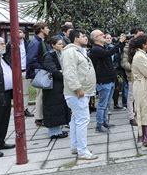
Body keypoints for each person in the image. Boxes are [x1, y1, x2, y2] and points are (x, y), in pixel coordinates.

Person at [62, 29, 98, 160]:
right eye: (83, 36)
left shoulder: (79, 51)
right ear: (76, 38)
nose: (86, 38)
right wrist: (77, 88)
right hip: (77, 93)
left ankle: (75, 146)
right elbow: (69, 72)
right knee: (83, 120)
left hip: (83, 92)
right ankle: (82, 151)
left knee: (75, 120)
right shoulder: (70, 52)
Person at [89, 30, 126, 133]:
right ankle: (99, 125)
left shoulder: (102, 47)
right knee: (102, 104)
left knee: (106, 104)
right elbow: (109, 53)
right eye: (101, 34)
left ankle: (105, 122)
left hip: (109, 79)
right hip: (103, 81)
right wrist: (120, 42)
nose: (104, 35)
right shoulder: (96, 49)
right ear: (96, 38)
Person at [42, 36, 70, 139]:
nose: (61, 45)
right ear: (53, 45)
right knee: (53, 108)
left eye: (62, 43)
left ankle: (57, 130)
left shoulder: (61, 54)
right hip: (52, 86)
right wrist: (63, 75)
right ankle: (54, 132)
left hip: (60, 85)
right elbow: (53, 70)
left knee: (59, 107)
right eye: (59, 44)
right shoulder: (49, 56)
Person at [26, 21, 51, 127]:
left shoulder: (41, 41)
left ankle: (41, 117)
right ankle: (39, 118)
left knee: (42, 95)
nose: (48, 30)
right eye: (47, 28)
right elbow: (31, 59)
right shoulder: (35, 42)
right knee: (40, 95)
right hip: (40, 73)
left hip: (42, 71)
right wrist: (43, 68)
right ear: (41, 29)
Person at [5, 29, 34, 117]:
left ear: (24, 35)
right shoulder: (10, 44)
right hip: (14, 72)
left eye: (20, 32)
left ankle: (25, 109)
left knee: (25, 92)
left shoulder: (28, 44)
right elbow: (6, 56)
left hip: (25, 71)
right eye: (16, 31)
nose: (18, 33)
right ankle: (17, 109)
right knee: (16, 92)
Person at [121, 27, 145, 126]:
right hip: (132, 75)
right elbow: (124, 63)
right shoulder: (127, 47)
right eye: (140, 35)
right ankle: (131, 117)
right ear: (134, 35)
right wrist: (135, 67)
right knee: (131, 97)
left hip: (142, 75)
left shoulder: (141, 46)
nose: (142, 37)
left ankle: (139, 114)